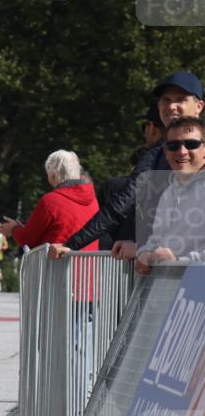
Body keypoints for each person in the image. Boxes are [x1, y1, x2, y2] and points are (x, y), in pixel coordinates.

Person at [49, 72, 204, 260]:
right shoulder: (154, 157)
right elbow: (122, 205)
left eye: (180, 99)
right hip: (164, 274)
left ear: (199, 106)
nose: (172, 106)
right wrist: (71, 245)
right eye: (166, 100)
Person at [135, 116, 205, 273]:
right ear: (166, 152)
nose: (182, 151)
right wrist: (145, 252)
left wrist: (178, 262)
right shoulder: (169, 191)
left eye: (192, 144)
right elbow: (156, 239)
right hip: (168, 288)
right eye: (173, 145)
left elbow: (173, 258)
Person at [0, 150, 100, 252]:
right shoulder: (93, 200)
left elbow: (28, 239)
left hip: (58, 265)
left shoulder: (50, 200)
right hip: (88, 265)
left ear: (52, 175)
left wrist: (14, 229)